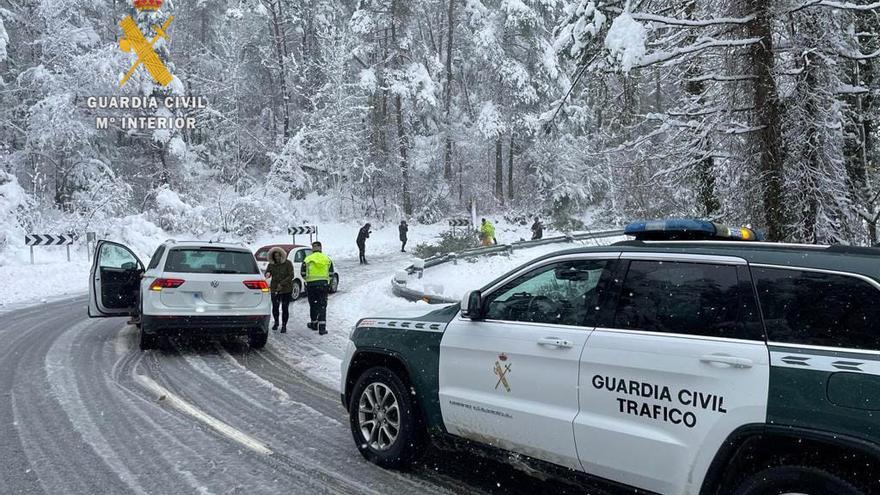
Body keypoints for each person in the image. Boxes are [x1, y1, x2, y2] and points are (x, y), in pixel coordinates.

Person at [302, 241, 334, 335]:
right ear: (321, 248)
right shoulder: (327, 259)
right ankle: (322, 328)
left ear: (313, 248)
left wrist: (308, 279)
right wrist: (326, 281)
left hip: (311, 285)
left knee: (313, 305)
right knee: (322, 305)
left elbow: (303, 273)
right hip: (323, 285)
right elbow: (331, 273)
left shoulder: (307, 259)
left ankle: (314, 324)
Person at [264, 246, 294, 333]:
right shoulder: (271, 264)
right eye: (275, 256)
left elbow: (291, 275)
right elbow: (267, 273)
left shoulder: (288, 263)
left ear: (282, 255)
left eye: (278, 256)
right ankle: (276, 322)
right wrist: (268, 274)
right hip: (275, 288)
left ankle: (284, 325)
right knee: (275, 307)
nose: (277, 257)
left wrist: (282, 284)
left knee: (285, 307)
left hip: (286, 289)